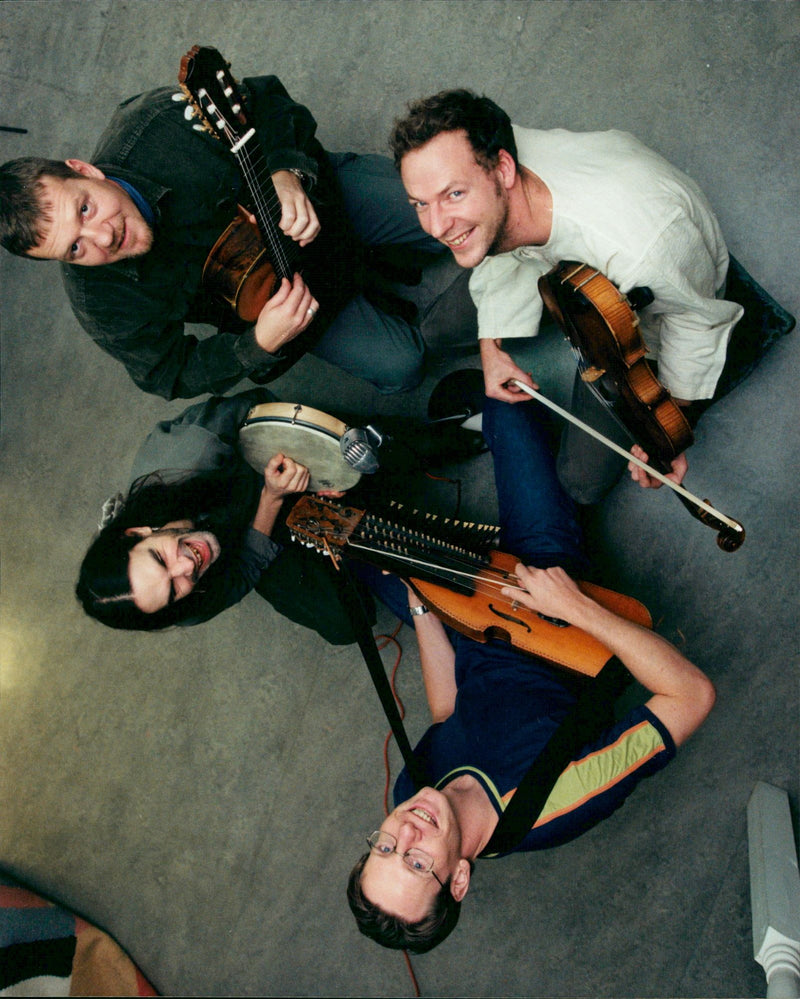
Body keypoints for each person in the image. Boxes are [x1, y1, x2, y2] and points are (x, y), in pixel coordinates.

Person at [346, 396, 715, 953]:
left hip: (471, 626)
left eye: (385, 848)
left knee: (336, 532)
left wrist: (422, 603)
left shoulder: (411, 798)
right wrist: (575, 607)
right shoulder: (559, 804)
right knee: (505, 408)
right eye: (418, 862)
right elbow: (691, 695)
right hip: (551, 617)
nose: (405, 833)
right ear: (460, 879)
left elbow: (449, 716)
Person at [0, 74, 475, 399]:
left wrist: (287, 172)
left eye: (85, 207)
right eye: (75, 248)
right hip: (291, 299)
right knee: (405, 367)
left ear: (83, 170)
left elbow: (267, 100)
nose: (103, 236)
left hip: (325, 201)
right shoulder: (100, 302)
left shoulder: (157, 126)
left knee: (463, 212)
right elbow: (168, 372)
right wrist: (258, 344)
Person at [388, 89, 744, 502]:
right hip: (544, 259)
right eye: (419, 203)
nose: (435, 227)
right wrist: (491, 344)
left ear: (503, 169)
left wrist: (670, 429)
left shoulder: (642, 251)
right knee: (437, 330)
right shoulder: (488, 154)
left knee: (580, 484)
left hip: (653, 307)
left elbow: (698, 321)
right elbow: (503, 236)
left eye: (454, 195)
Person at [76, 386, 483, 640]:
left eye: (161, 557)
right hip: (258, 521)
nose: (186, 565)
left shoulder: (190, 451)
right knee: (347, 624)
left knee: (378, 455)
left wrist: (307, 466)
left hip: (268, 463)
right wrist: (273, 500)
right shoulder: (183, 606)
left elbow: (260, 409)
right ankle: (346, 545)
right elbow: (243, 571)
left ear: (137, 532)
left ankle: (448, 433)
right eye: (172, 588)